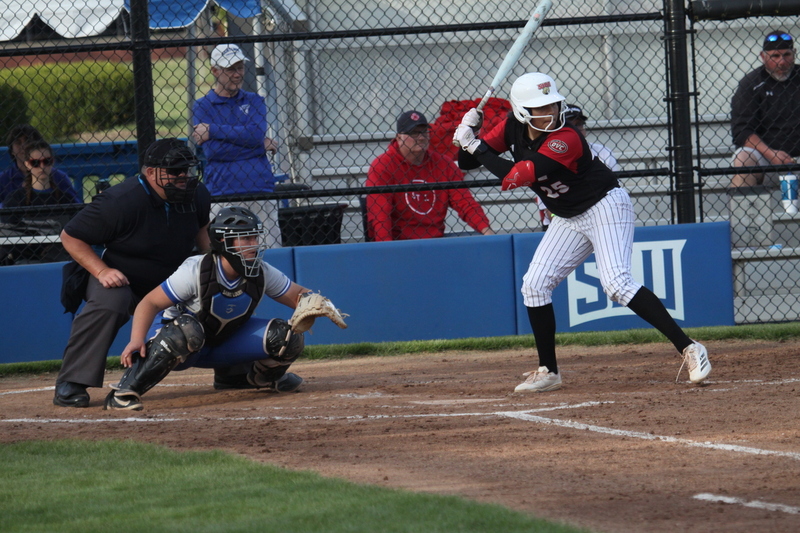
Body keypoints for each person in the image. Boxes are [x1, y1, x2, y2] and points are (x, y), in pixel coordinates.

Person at [453, 72, 711, 392]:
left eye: (552, 105)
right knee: (534, 285)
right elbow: (465, 161)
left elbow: (515, 176)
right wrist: (469, 130)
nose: (550, 113)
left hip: (604, 206)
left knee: (616, 283)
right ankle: (548, 371)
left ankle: (690, 348)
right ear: (522, 111)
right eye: (540, 108)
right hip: (567, 216)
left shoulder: (567, 137)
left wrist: (475, 144)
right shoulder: (511, 127)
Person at [104, 206, 345, 411]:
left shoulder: (261, 270)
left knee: (287, 337)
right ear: (223, 241)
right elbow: (150, 302)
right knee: (188, 329)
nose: (253, 245)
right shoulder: (196, 270)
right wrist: (136, 339)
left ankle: (255, 378)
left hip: (223, 342)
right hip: (183, 344)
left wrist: (318, 303)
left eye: (255, 238)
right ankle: (122, 393)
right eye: (246, 239)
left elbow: (297, 295)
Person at [53, 138, 212, 408]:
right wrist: (102, 270)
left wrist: (214, 270)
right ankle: (72, 382)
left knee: (217, 292)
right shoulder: (120, 201)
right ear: (151, 173)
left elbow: (203, 234)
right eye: (175, 171)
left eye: (187, 170)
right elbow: (70, 236)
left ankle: (237, 371)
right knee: (110, 302)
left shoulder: (195, 195)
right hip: (123, 278)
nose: (183, 176)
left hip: (171, 283)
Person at [191, 44, 282, 248]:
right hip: (222, 188)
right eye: (230, 69)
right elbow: (213, 151)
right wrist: (258, 146)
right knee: (223, 252)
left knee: (270, 250)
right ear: (215, 71)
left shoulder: (255, 100)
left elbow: (256, 133)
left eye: (240, 68)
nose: (237, 74)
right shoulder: (203, 105)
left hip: (259, 186)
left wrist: (213, 130)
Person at [366, 110, 495, 241]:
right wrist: (387, 250)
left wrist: (486, 230)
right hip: (400, 242)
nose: (421, 138)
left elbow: (465, 203)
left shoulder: (444, 164)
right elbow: (380, 214)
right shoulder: (383, 166)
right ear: (399, 138)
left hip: (435, 241)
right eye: (414, 133)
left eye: (423, 132)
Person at [730, 30, 800, 188]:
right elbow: (742, 131)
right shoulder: (751, 84)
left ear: (794, 53)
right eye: (775, 56)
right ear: (763, 56)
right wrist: (770, 153)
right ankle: (743, 213)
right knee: (743, 159)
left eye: (787, 55)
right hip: (765, 156)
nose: (782, 62)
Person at [0, 139, 80, 264]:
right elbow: (9, 234)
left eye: (47, 161)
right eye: (35, 163)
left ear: (52, 162)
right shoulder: (15, 198)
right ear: (27, 164)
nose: (42, 167)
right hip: (24, 260)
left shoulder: (65, 199)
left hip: (60, 258)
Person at [0, 124, 81, 206]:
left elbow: (76, 206)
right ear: (12, 150)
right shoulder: (3, 180)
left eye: (27, 141)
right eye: (18, 143)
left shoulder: (59, 177)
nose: (23, 146)